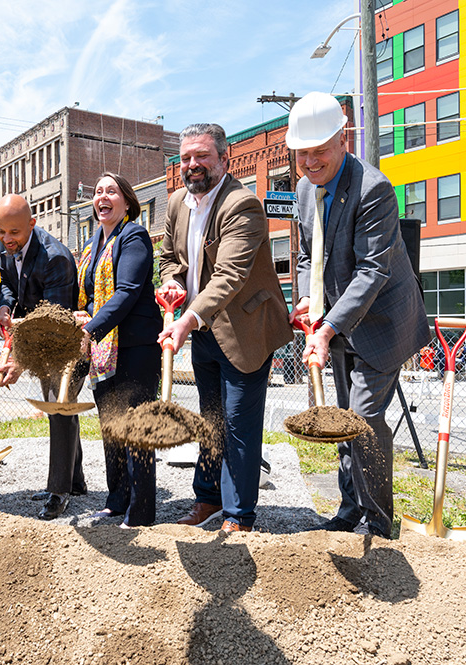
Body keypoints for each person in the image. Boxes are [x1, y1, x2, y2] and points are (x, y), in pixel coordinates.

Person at [288, 92, 430, 538]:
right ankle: (350, 507)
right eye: (302, 153)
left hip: (382, 325)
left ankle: (378, 522)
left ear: (343, 138)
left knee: (363, 418)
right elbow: (310, 255)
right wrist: (308, 298)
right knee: (341, 419)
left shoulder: (374, 189)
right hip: (338, 322)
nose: (310, 162)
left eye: (319, 151)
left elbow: (373, 270)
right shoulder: (304, 190)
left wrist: (328, 327)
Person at [158, 124, 292, 534]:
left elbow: (229, 276)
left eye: (202, 157)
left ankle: (239, 515)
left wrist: (186, 319)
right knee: (210, 419)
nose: (193, 165)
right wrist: (172, 282)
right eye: (186, 158)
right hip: (202, 330)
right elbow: (167, 258)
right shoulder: (178, 203)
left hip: (245, 329)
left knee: (238, 423)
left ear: (224, 157)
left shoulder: (243, 205)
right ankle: (208, 498)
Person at [0, 193, 87, 520]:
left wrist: (18, 360)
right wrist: (5, 308)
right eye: (1, 232)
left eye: (14, 233)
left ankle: (59, 491)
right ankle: (75, 481)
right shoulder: (8, 247)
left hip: (65, 343)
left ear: (32, 224)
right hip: (38, 336)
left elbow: (52, 322)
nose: (7, 240)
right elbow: (6, 282)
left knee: (58, 407)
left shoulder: (53, 258)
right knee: (61, 409)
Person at [77, 172, 161, 528]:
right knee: (111, 427)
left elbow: (125, 291)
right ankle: (116, 501)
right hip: (104, 352)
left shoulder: (134, 235)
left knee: (136, 429)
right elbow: (91, 294)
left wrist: (91, 328)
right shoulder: (93, 242)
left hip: (135, 348)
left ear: (127, 201)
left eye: (111, 191)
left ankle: (141, 511)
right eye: (98, 192)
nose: (103, 197)